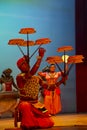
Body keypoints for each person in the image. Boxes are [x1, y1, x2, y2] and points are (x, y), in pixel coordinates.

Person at [16, 48, 54, 130]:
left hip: (36, 104)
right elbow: (31, 72)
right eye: (22, 64)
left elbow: (50, 87)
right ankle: (31, 123)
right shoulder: (20, 77)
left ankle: (35, 122)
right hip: (25, 103)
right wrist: (40, 57)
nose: (25, 66)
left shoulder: (37, 78)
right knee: (25, 106)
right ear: (19, 67)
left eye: (25, 63)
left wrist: (62, 80)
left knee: (50, 122)